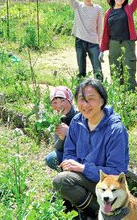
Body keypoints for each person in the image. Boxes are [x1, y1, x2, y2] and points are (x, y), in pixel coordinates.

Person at [52, 78, 129, 218]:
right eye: (82, 99)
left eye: (91, 99)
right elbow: (69, 151)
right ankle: (86, 210)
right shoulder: (77, 121)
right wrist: (71, 164)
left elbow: (117, 172)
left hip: (105, 184)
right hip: (83, 176)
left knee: (61, 181)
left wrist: (82, 168)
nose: (85, 105)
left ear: (102, 101)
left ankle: (99, 212)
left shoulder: (115, 130)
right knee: (61, 179)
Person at [100, 0, 137, 91]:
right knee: (115, 70)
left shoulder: (128, 9)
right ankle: (118, 93)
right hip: (113, 44)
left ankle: (132, 94)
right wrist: (102, 50)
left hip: (127, 43)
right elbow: (105, 32)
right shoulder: (108, 12)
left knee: (129, 69)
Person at [62, 0, 104, 81]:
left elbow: (100, 26)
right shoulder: (77, 6)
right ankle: (81, 90)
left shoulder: (98, 9)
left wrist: (100, 42)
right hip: (80, 41)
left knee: (97, 69)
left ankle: (100, 89)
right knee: (81, 70)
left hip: (93, 43)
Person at [45, 86, 78, 171]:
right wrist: (61, 138)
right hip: (68, 154)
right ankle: (65, 176)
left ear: (70, 100)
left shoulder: (80, 115)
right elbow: (58, 148)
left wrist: (69, 133)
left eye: (62, 101)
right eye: (55, 102)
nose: (59, 105)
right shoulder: (56, 119)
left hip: (83, 154)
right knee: (51, 158)